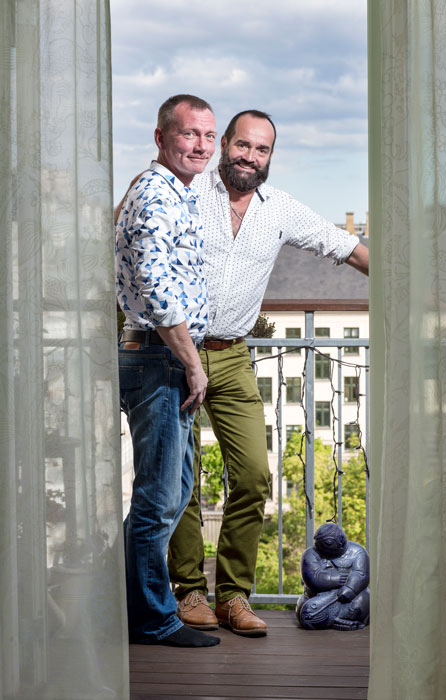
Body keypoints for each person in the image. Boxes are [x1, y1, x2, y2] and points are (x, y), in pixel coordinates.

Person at [116, 109, 369, 637]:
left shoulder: (280, 209)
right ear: (225, 144)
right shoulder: (186, 191)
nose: (251, 157)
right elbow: (138, 247)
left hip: (231, 356)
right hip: (171, 350)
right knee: (175, 483)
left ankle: (233, 595)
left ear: (271, 156)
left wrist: (422, 283)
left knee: (253, 474)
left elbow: (343, 245)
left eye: (263, 150)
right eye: (242, 145)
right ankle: (188, 592)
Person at [115, 94, 220, 647]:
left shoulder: (179, 194)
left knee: (173, 492)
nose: (201, 145)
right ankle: (154, 619)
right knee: (158, 498)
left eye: (208, 135)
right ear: (161, 138)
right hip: (159, 356)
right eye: (188, 134)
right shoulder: (157, 195)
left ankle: (129, 603)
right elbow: (158, 290)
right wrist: (192, 362)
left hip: (163, 355)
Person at [296, 523, 370, 631]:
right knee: (307, 612)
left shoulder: (357, 552)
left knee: (363, 598)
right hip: (317, 598)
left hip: (346, 599)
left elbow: (361, 574)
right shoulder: (310, 555)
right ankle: (329, 618)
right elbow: (312, 578)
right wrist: (335, 578)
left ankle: (349, 619)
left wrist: (350, 588)